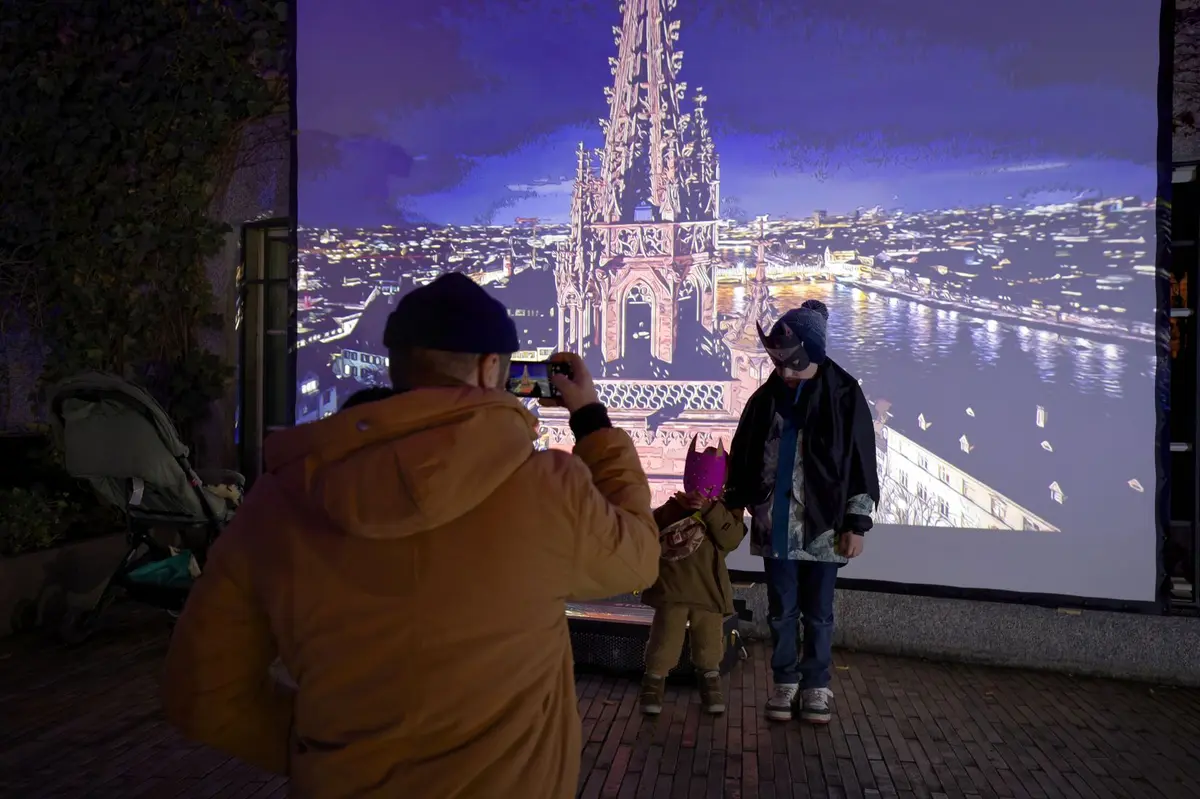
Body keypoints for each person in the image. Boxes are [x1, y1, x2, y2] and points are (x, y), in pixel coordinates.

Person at [161, 272, 660, 799]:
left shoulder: (282, 498)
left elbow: (203, 693)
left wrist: (332, 754)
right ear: (492, 368)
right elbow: (640, 556)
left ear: (397, 364)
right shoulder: (547, 492)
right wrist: (591, 420)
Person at [725, 299, 879, 726]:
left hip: (824, 527)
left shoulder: (845, 394)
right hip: (774, 525)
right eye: (780, 365)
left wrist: (856, 524)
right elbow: (743, 455)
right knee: (781, 609)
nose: (786, 374)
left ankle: (816, 686)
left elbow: (862, 463)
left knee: (819, 612)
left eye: (794, 364)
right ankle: (785, 681)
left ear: (815, 353)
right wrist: (733, 504)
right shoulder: (766, 397)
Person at [639, 437, 745, 717]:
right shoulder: (672, 508)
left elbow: (731, 539)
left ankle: (711, 685)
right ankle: (653, 684)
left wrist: (708, 509)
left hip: (708, 591)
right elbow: (650, 530)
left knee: (710, 645)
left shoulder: (724, 512)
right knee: (664, 641)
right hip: (673, 590)